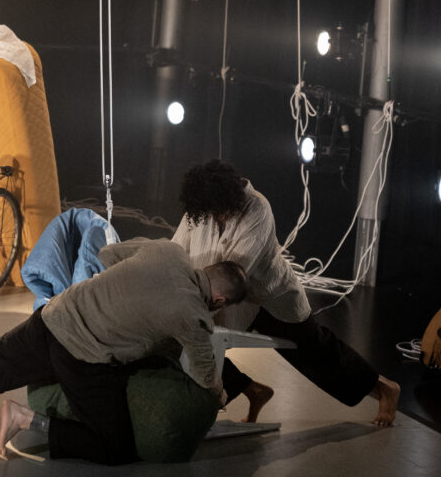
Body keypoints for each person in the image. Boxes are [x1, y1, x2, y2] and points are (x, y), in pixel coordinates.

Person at [0, 238, 247, 464]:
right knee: (115, 448)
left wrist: (124, 289)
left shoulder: (168, 251)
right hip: (82, 357)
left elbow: (107, 253)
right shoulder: (193, 314)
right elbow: (205, 373)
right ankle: (25, 419)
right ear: (219, 300)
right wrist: (219, 393)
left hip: (55, 315)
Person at [172, 159, 401, 427]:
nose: (215, 218)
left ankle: (384, 387)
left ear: (228, 200)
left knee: (316, 352)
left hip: (270, 298)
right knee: (192, 342)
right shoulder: (202, 208)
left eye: (218, 213)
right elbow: (176, 250)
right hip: (226, 300)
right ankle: (252, 390)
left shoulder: (257, 208)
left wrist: (193, 301)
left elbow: (234, 272)